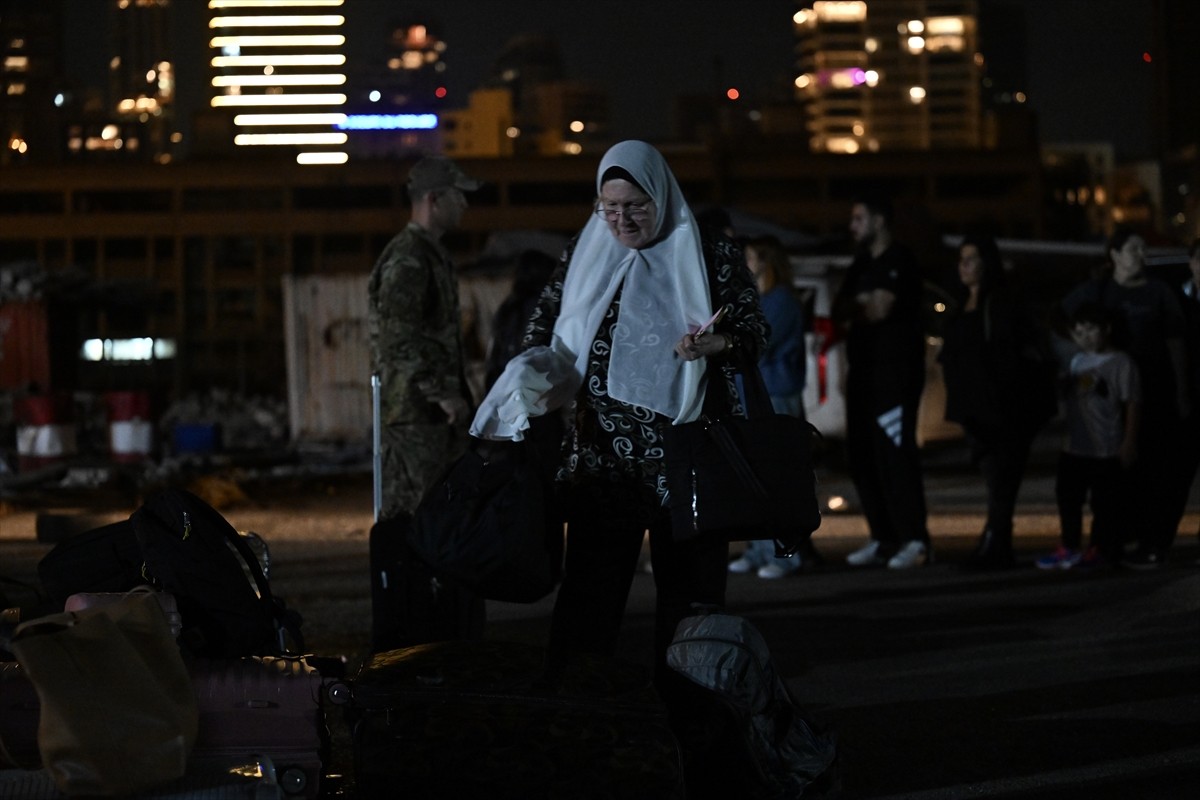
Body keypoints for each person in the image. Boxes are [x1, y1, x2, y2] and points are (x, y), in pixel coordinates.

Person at [470, 140, 768, 785]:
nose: (623, 221)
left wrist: (716, 342)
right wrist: (533, 370)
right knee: (589, 605)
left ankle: (694, 741)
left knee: (689, 610)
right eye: (609, 207)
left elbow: (753, 332)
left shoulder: (708, 253)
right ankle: (577, 732)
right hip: (601, 467)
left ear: (662, 197)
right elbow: (544, 327)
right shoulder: (585, 253)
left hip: (686, 463)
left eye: (636, 206)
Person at [1060, 228, 1190, 568]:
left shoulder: (1159, 291)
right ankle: (1113, 541)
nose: (1141, 256)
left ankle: (1151, 542)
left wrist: (1181, 391)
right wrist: (1081, 353)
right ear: (1115, 255)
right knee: (1116, 475)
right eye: (1133, 249)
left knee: (1156, 471)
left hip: (1155, 393)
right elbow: (1063, 317)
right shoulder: (1099, 290)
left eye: (1144, 250)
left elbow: (1176, 343)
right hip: (1110, 402)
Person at [367, 155, 482, 521]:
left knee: (441, 518)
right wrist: (441, 394)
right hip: (414, 418)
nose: (464, 203)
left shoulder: (430, 255)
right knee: (416, 520)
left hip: (429, 417)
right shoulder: (409, 259)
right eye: (457, 195)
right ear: (434, 199)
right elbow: (396, 339)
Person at [939, 235, 1057, 570]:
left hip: (1005, 412)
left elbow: (1005, 358)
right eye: (961, 259)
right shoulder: (963, 304)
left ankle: (996, 545)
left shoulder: (999, 303)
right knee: (997, 482)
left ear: (986, 264)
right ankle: (994, 543)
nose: (964, 266)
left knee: (1002, 481)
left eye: (971, 259)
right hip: (978, 411)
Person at [832, 194, 931, 569]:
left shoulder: (900, 260)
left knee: (896, 457)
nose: (852, 226)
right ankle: (883, 537)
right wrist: (862, 301)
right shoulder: (861, 263)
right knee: (862, 457)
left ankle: (916, 540)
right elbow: (841, 309)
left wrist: (864, 304)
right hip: (863, 372)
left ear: (879, 221)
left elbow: (880, 309)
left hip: (895, 374)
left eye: (858, 217)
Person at [727, 235, 810, 579]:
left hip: (775, 395)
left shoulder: (781, 302)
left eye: (750, 257)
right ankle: (760, 550)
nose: (745, 264)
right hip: (756, 395)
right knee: (757, 478)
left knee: (779, 479)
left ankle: (785, 555)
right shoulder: (762, 300)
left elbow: (762, 345)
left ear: (765, 260)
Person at [1037, 303, 1140, 569]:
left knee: (1104, 503)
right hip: (1074, 446)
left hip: (1106, 446)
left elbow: (1132, 402)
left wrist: (1129, 441)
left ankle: (1101, 548)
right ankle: (1069, 546)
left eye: (1091, 329)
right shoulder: (1076, 361)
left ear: (1106, 330)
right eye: (1079, 331)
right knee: (1068, 497)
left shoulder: (1121, 362)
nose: (1085, 336)